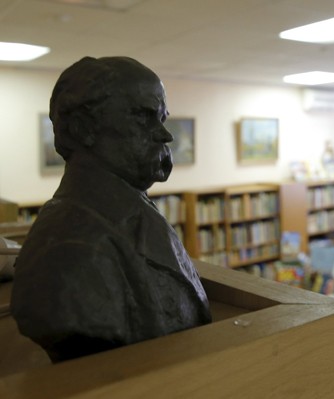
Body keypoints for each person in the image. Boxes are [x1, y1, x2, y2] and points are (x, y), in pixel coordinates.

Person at [10, 56, 212, 363]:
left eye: (161, 117)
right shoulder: (68, 249)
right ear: (84, 128)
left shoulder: (135, 212)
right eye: (143, 117)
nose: (165, 134)